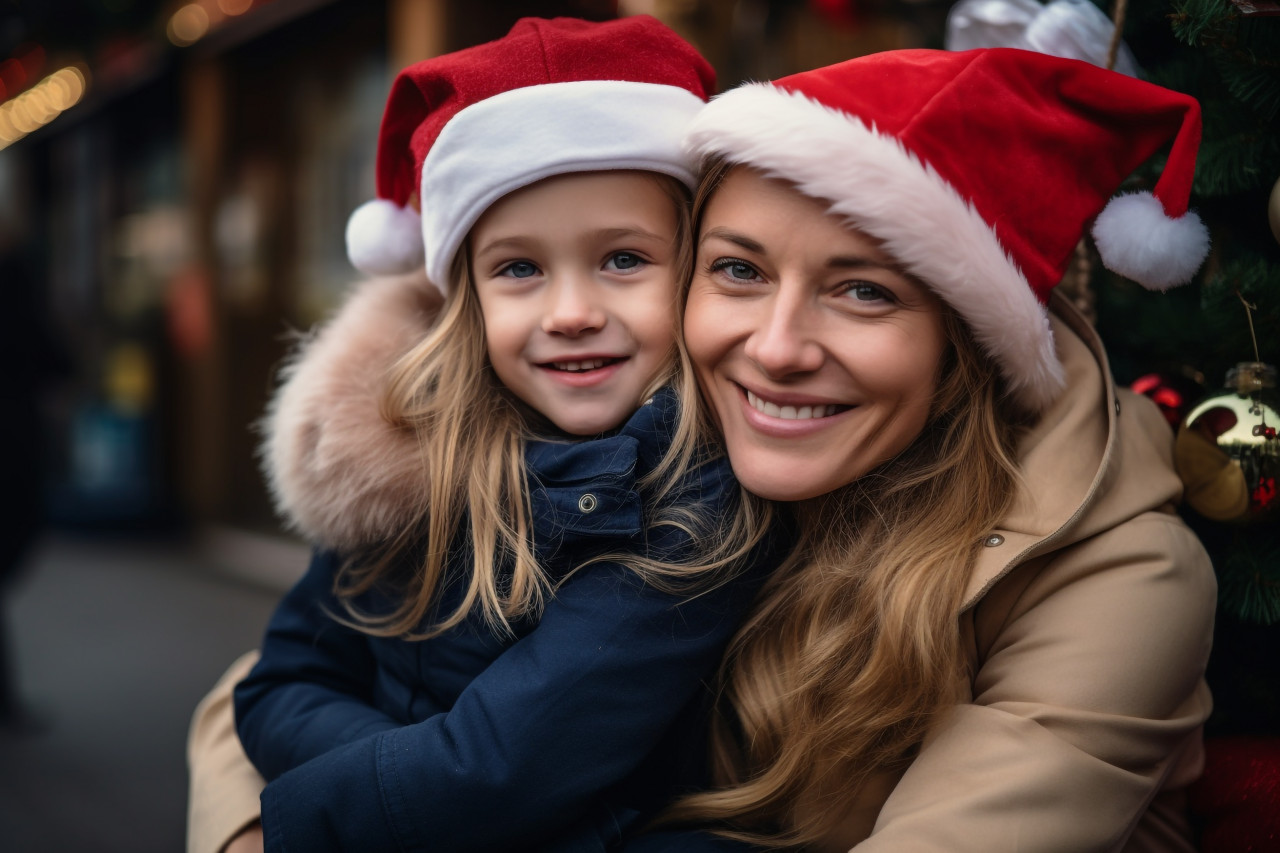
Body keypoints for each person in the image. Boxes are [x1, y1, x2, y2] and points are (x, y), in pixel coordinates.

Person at [192, 46, 1217, 853]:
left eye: (863, 289)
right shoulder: (628, 452)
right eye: (736, 271)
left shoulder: (1112, 577)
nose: (773, 349)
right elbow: (264, 687)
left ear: (969, 336)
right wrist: (258, 827)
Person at [198, 16, 783, 853]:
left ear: (695, 269)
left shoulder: (699, 499)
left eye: (624, 258)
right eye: (519, 268)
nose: (572, 313)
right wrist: (398, 787)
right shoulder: (411, 451)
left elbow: (503, 767)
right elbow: (283, 681)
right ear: (463, 299)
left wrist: (302, 819)